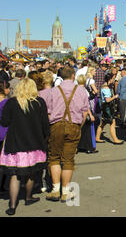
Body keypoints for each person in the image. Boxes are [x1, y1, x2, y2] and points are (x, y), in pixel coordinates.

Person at [0, 78, 50, 215]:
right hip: (34, 142)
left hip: (15, 143)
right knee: (31, 172)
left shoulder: (11, 103)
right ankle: (28, 197)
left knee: (15, 175)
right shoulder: (39, 102)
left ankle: (12, 205)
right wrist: (46, 138)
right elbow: (45, 124)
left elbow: (4, 122)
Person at [45, 66, 89, 202]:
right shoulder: (81, 91)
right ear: (73, 76)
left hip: (56, 125)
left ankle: (54, 190)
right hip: (74, 125)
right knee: (68, 160)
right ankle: (65, 191)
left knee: (54, 157)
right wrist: (78, 125)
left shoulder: (53, 91)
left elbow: (48, 112)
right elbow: (85, 112)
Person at [96, 73, 123, 145]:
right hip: (108, 107)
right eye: (113, 78)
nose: (114, 80)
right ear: (109, 79)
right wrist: (115, 97)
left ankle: (97, 137)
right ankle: (115, 139)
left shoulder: (104, 86)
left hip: (105, 107)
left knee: (103, 122)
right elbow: (107, 100)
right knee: (112, 122)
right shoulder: (106, 88)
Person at [76, 74, 97, 154]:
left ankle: (78, 147)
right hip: (84, 112)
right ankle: (88, 148)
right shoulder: (84, 90)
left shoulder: (75, 89)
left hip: (76, 112)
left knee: (79, 129)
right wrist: (90, 114)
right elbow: (86, 104)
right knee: (87, 130)